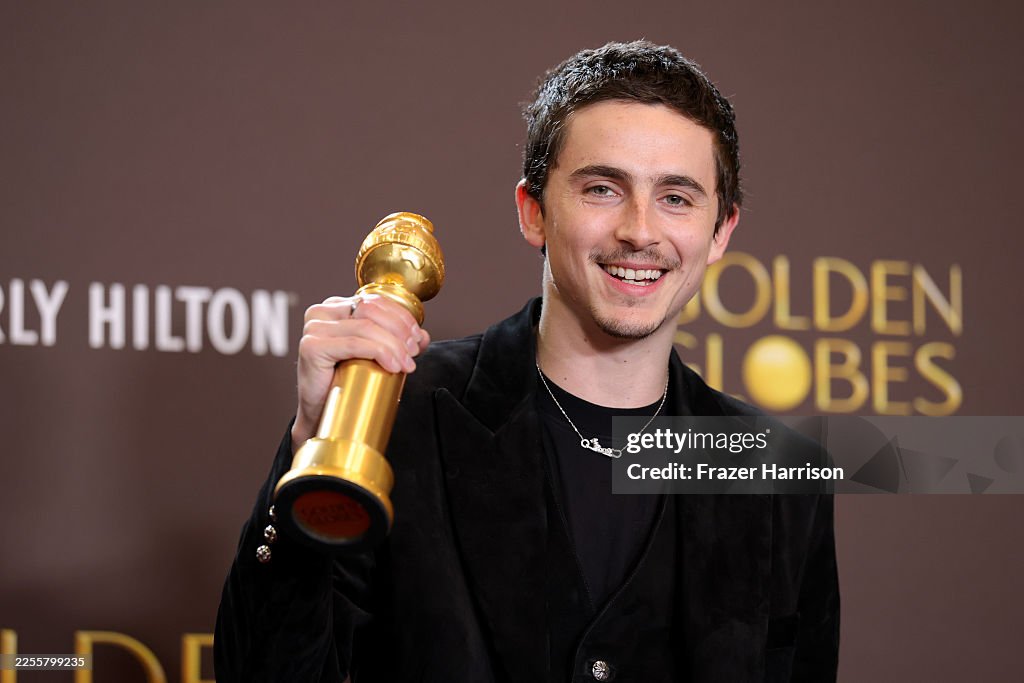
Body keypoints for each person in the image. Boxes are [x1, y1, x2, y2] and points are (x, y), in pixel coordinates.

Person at [215, 40, 839, 682]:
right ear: (533, 211)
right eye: (603, 188)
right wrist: (310, 448)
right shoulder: (394, 411)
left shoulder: (777, 476)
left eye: (676, 198)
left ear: (720, 231)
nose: (640, 231)